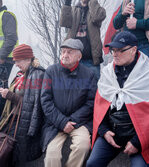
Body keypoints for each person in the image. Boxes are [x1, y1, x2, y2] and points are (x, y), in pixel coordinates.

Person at [86, 31, 149, 167]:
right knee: (92, 163)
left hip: (139, 136)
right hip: (112, 132)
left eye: (120, 50)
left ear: (134, 50)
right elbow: (100, 107)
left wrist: (137, 142)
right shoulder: (107, 73)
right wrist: (104, 131)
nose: (115, 54)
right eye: (113, 50)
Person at [41, 38, 97, 167]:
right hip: (55, 123)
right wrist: (62, 122)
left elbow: (91, 102)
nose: (65, 55)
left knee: (83, 146)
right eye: (63, 51)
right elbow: (46, 100)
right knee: (52, 154)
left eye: (70, 52)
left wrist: (72, 120)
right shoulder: (51, 72)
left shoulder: (89, 75)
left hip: (79, 122)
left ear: (79, 56)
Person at [0, 44, 45, 166]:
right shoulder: (20, 74)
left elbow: (34, 104)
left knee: (11, 155)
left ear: (27, 59)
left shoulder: (37, 75)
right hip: (12, 118)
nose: (15, 64)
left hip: (22, 122)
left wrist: (10, 95)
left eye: (18, 61)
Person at [60, 0, 106, 80]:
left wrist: (92, 2)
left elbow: (97, 17)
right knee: (70, 87)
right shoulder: (73, 10)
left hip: (91, 60)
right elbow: (64, 23)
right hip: (72, 60)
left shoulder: (98, 10)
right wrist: (67, 4)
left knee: (93, 89)